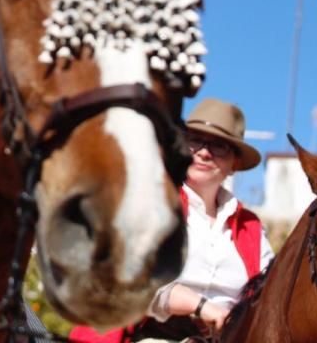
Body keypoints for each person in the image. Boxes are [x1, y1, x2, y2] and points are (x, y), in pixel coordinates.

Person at [72, 98, 273, 342]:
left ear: (235, 163)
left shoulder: (251, 227)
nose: (204, 152)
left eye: (219, 146)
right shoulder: (149, 201)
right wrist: (198, 305)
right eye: (195, 140)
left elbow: (270, 297)